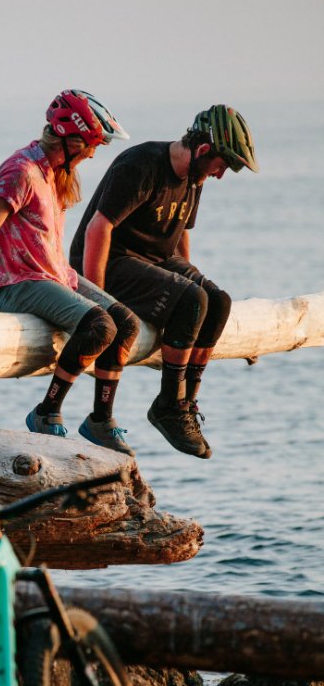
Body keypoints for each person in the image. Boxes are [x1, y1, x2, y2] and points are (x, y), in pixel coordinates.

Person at [0, 90, 141, 456]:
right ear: (72, 140)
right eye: (92, 145)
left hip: (53, 276)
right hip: (16, 283)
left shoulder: (55, 173)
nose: (92, 153)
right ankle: (47, 411)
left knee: (125, 323)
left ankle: (101, 420)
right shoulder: (20, 172)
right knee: (99, 326)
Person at [69, 104, 259, 459]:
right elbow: (99, 228)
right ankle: (168, 405)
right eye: (223, 165)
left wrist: (192, 281)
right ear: (204, 151)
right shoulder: (141, 166)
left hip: (154, 258)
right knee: (193, 300)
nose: (221, 175)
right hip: (111, 259)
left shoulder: (196, 175)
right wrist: (96, 297)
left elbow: (181, 233)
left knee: (216, 301)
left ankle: (185, 402)